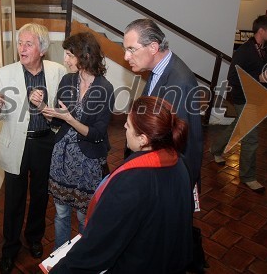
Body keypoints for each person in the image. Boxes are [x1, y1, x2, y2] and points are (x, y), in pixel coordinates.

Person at [50, 96, 193, 274]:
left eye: (129, 124)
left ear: (143, 139)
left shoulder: (131, 181)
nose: (124, 126)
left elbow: (100, 246)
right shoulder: (180, 161)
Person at [0, 23, 66, 274]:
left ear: (42, 49)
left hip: (45, 140)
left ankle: (34, 238)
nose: (21, 49)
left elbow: (63, 111)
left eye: (28, 44)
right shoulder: (3, 73)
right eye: (20, 43)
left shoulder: (57, 71)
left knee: (40, 194)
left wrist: (46, 107)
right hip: (17, 145)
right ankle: (10, 248)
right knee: (14, 199)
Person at [40, 32, 115, 249]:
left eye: (69, 55)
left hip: (88, 162)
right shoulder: (67, 80)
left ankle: (81, 259)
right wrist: (45, 111)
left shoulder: (104, 88)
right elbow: (57, 121)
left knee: (84, 218)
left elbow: (97, 133)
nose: (65, 60)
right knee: (61, 214)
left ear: (84, 56)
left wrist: (70, 119)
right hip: (61, 158)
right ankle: (60, 257)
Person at [123, 18, 203, 189]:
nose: (126, 56)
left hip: (168, 178)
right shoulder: (158, 68)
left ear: (153, 47)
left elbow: (177, 143)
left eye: (131, 49)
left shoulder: (180, 82)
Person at [211, 15, 267, 193]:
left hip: (255, 97)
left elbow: (259, 70)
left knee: (236, 127)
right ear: (261, 30)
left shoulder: (263, 49)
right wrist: (258, 78)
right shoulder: (245, 51)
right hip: (244, 98)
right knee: (251, 138)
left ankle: (216, 150)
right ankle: (248, 177)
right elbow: (233, 77)